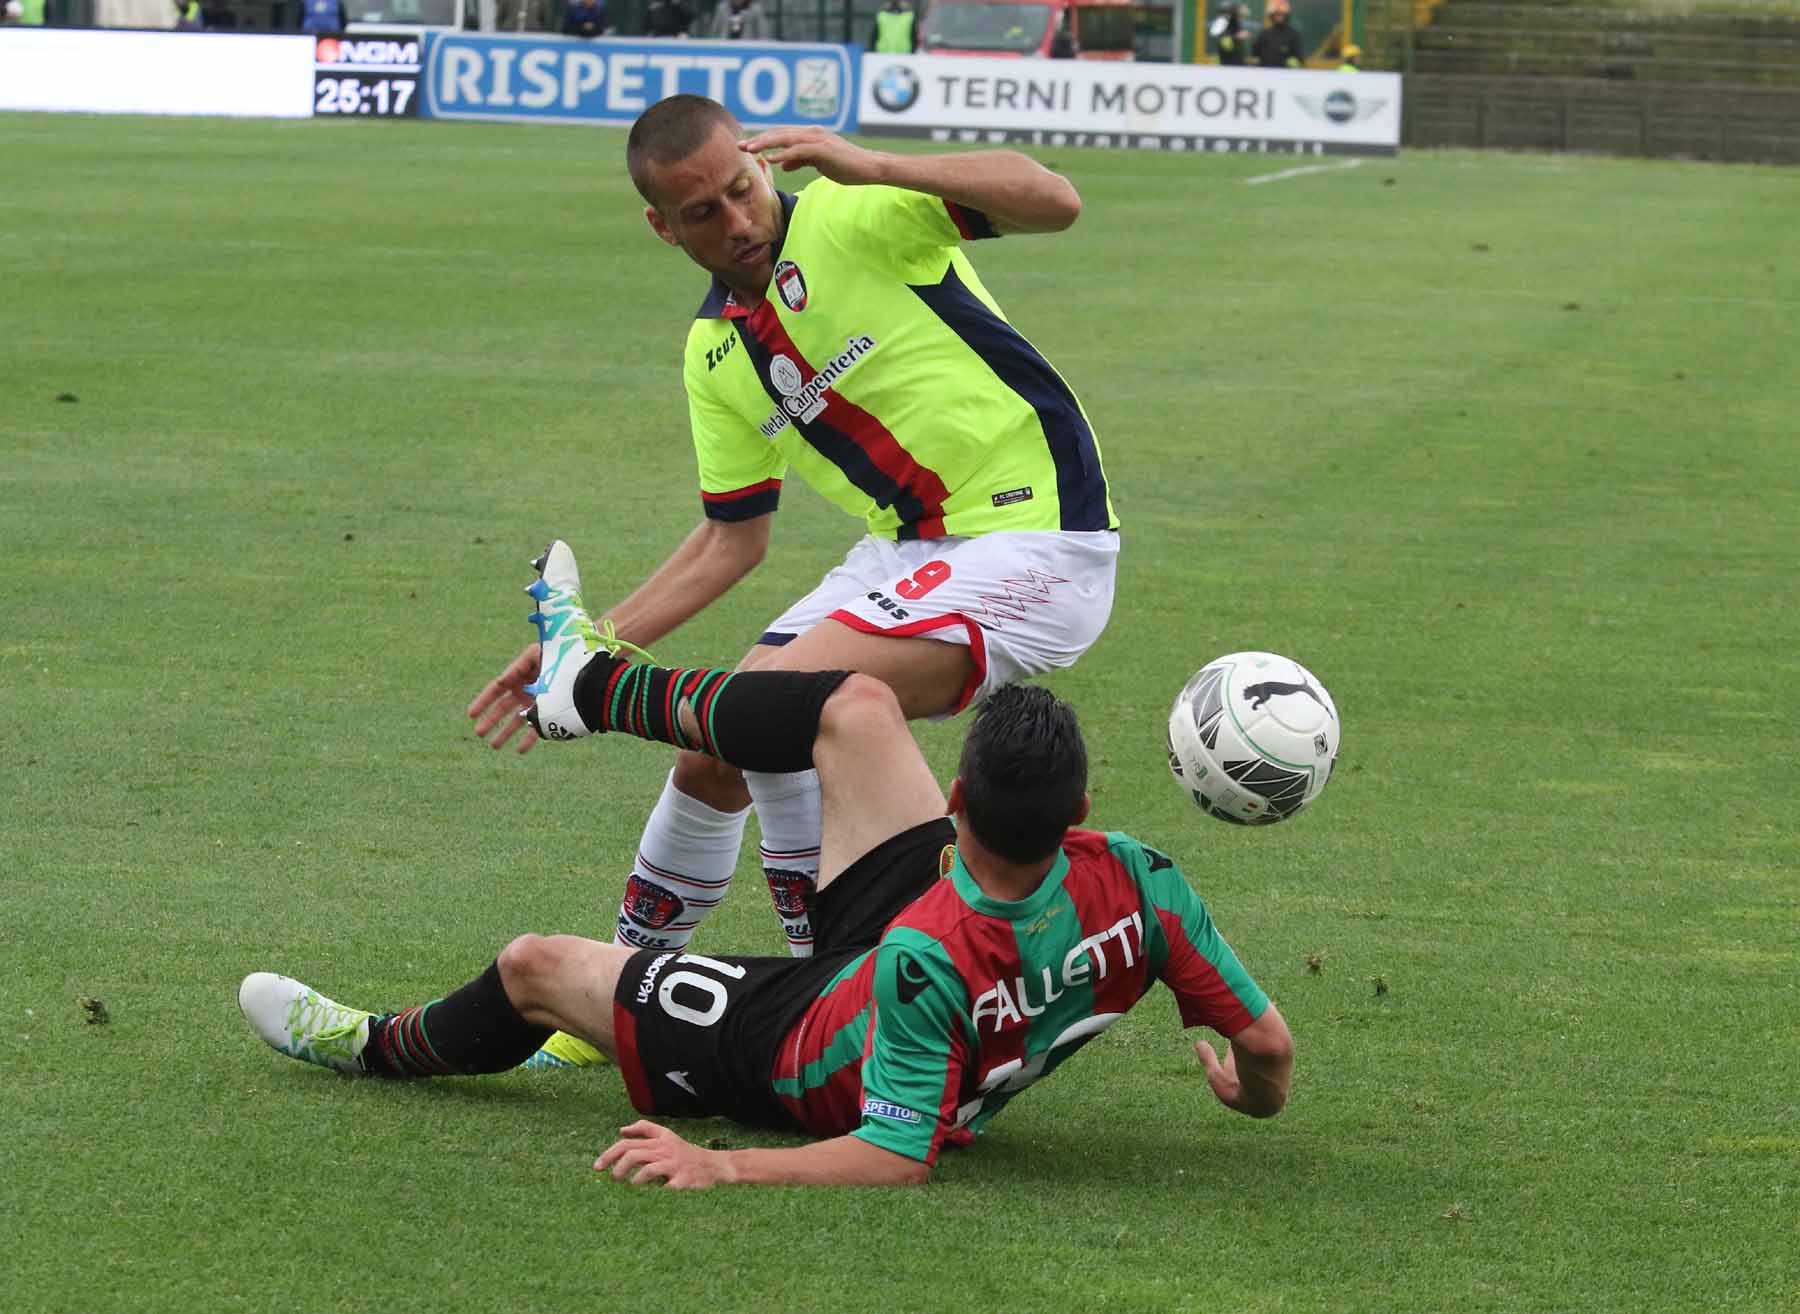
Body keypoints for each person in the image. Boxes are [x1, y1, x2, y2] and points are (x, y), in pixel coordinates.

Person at [242, 542, 1293, 1188]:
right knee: (852, 702)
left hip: (816, 1045)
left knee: (533, 969)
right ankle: (587, 686)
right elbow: (1271, 1050)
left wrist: (723, 1163)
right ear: (1080, 815)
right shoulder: (1137, 877)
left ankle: (369, 1047)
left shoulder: (928, 953)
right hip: (914, 942)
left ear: (959, 800)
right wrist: (1248, 1097)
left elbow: (894, 1155)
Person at [465, 97, 1118, 1020]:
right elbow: (734, 535)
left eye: (743, 189)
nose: (737, 222)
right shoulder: (716, 354)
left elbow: (1054, 201)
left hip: (1042, 534)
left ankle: (850, 990)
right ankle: (617, 996)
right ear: (662, 227)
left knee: (776, 710)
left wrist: (876, 162)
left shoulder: (857, 211)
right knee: (709, 755)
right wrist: (593, 636)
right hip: (904, 549)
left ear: (763, 164)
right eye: (703, 214)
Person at [1251, 0, 1303, 68]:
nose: (1278, 17)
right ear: (1271, 16)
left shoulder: (1293, 35)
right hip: (1265, 74)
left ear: (1286, 15)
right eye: (1276, 14)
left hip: (1285, 74)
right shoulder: (1264, 34)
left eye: (1281, 14)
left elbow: (1300, 57)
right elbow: (1255, 54)